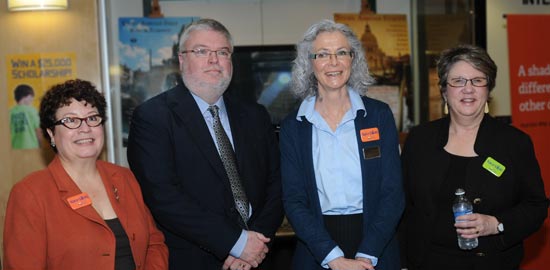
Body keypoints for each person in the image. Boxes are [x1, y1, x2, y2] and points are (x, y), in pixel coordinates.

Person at [127, 18, 284, 270]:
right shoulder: (153, 117)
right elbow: (162, 196)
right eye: (201, 51)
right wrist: (235, 243)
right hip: (193, 260)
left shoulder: (255, 115)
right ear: (181, 60)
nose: (214, 60)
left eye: (222, 52)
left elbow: (277, 184)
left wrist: (255, 243)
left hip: (258, 257)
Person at [400, 44, 549, 270]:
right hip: (426, 262)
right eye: (458, 81)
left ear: (488, 89)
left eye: (477, 80)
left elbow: (536, 206)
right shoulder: (420, 139)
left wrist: (496, 224)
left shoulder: (514, 143)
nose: (468, 89)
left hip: (492, 262)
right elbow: (403, 207)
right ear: (443, 90)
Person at [3, 79, 168, 270]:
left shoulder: (124, 178)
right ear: (51, 133)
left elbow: (154, 244)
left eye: (92, 118)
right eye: (71, 120)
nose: (85, 128)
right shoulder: (30, 194)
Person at [280, 19, 405, 270]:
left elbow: (393, 193)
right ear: (309, 62)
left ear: (353, 59)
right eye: (323, 54)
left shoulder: (379, 116)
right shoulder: (293, 125)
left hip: (376, 246)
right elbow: (294, 200)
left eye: (341, 53)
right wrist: (332, 257)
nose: (333, 62)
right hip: (317, 250)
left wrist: (367, 254)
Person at [9, 84, 42, 149]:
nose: (32, 99)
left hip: (14, 148)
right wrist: (41, 146)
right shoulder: (32, 110)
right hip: (32, 147)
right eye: (31, 96)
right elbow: (38, 130)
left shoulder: (10, 112)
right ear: (26, 96)